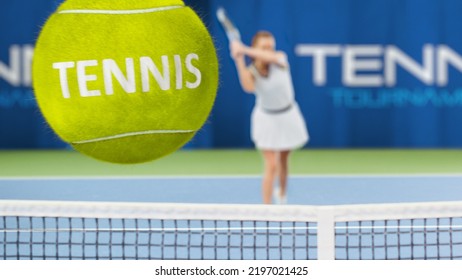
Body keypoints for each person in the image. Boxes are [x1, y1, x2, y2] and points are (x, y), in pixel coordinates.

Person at [230, 31, 309, 204]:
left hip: (288, 115)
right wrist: (238, 59)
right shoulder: (252, 71)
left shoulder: (280, 59)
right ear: (256, 47)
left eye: (270, 47)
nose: (269, 50)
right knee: (271, 164)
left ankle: (281, 193)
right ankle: (267, 210)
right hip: (266, 119)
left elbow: (268, 56)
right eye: (264, 47)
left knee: (283, 159)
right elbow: (248, 87)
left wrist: (242, 49)